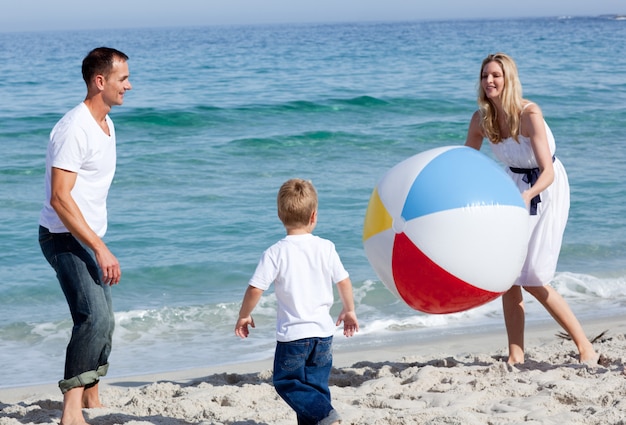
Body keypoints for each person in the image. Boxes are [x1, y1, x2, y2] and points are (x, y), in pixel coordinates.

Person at [464, 52, 599, 366]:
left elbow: (547, 172)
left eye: (495, 75)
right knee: (507, 276)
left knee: (534, 277)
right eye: (485, 76)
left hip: (545, 188)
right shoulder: (480, 119)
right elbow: (466, 164)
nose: (489, 81)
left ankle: (585, 347)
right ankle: (516, 354)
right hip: (513, 187)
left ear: (508, 78)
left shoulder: (529, 113)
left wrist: (528, 196)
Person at [38, 47, 131, 425]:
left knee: (105, 321)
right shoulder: (74, 128)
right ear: (100, 81)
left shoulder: (107, 125)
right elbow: (59, 199)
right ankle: (71, 412)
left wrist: (98, 243)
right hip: (62, 237)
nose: (128, 85)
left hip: (88, 237)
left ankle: (91, 395)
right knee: (92, 319)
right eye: (122, 78)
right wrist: (100, 248)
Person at [235, 178, 359, 425]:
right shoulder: (326, 247)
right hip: (323, 334)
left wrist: (244, 314)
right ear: (314, 216)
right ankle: (324, 417)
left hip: (293, 336)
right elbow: (343, 281)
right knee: (315, 386)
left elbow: (255, 288)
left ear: (280, 215)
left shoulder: (275, 252)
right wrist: (349, 310)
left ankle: (328, 417)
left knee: (287, 382)